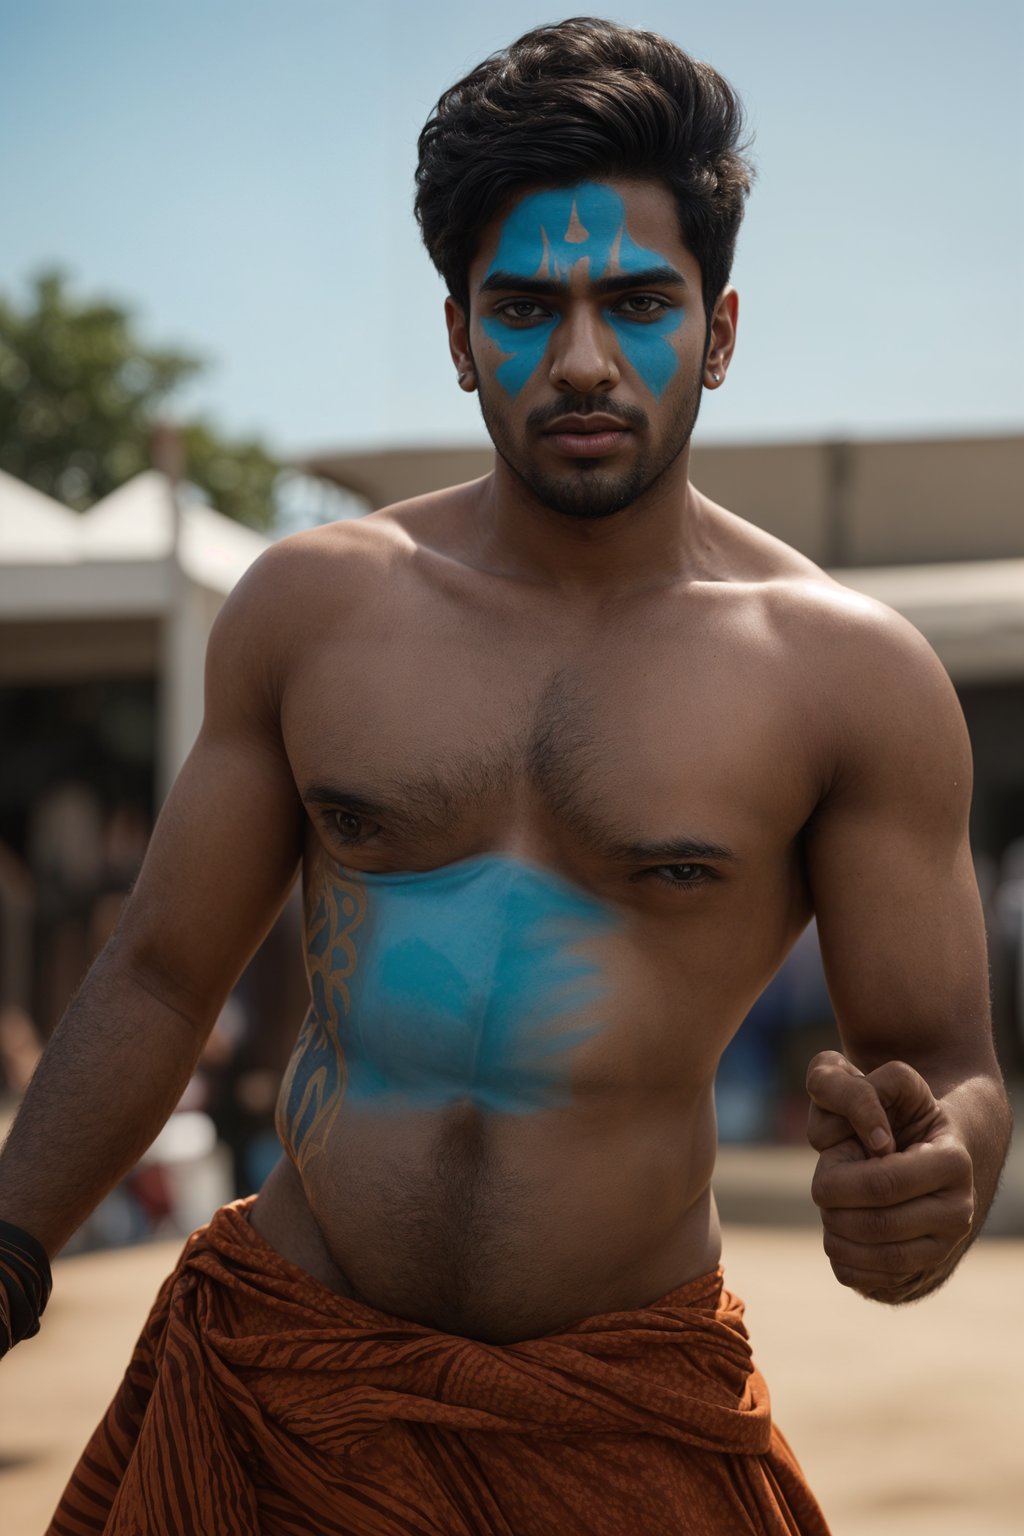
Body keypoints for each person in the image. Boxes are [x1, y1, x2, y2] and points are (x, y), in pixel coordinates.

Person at [0, 17, 1011, 1535]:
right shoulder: (317, 609)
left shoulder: (848, 681)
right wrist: (11, 1249)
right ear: (461, 333)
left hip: (623, 1406)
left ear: (721, 332)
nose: (584, 359)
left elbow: (947, 1059)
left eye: (640, 303)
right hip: (279, 1379)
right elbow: (155, 977)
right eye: (527, 305)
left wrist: (938, 1178)